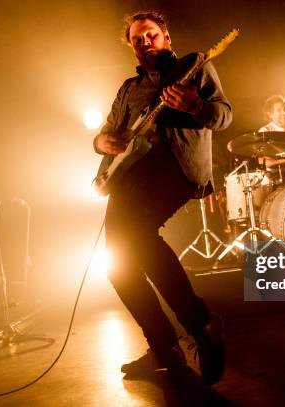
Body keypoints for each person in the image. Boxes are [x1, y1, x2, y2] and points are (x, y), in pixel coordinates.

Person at [92, 11, 232, 385]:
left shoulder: (193, 67)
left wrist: (194, 106)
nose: (145, 42)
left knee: (137, 237)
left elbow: (223, 116)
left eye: (151, 35)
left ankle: (200, 323)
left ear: (166, 38)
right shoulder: (128, 89)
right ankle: (164, 348)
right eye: (137, 40)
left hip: (175, 169)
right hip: (128, 178)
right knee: (116, 264)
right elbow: (107, 133)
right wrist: (101, 142)